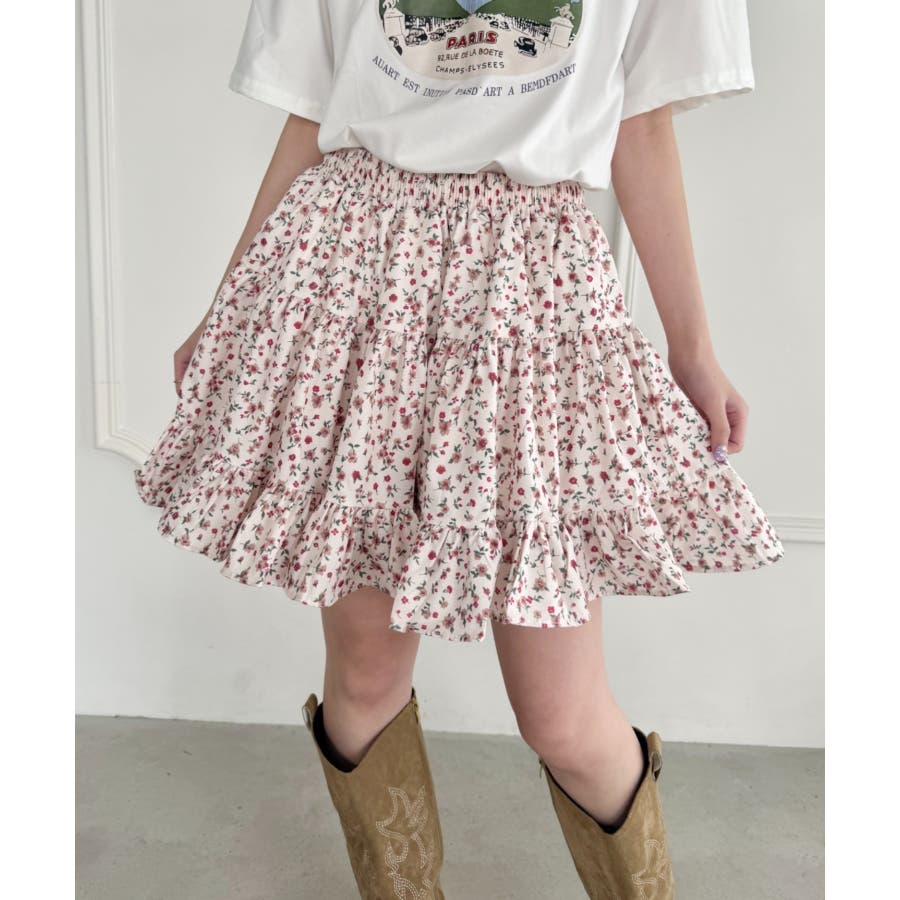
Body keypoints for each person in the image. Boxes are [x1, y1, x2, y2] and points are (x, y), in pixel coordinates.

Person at [133, 1, 785, 897]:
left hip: (530, 288)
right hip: (349, 273)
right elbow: (311, 117)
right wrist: (226, 307)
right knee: (365, 678)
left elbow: (642, 127)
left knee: (561, 715)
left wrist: (693, 348)